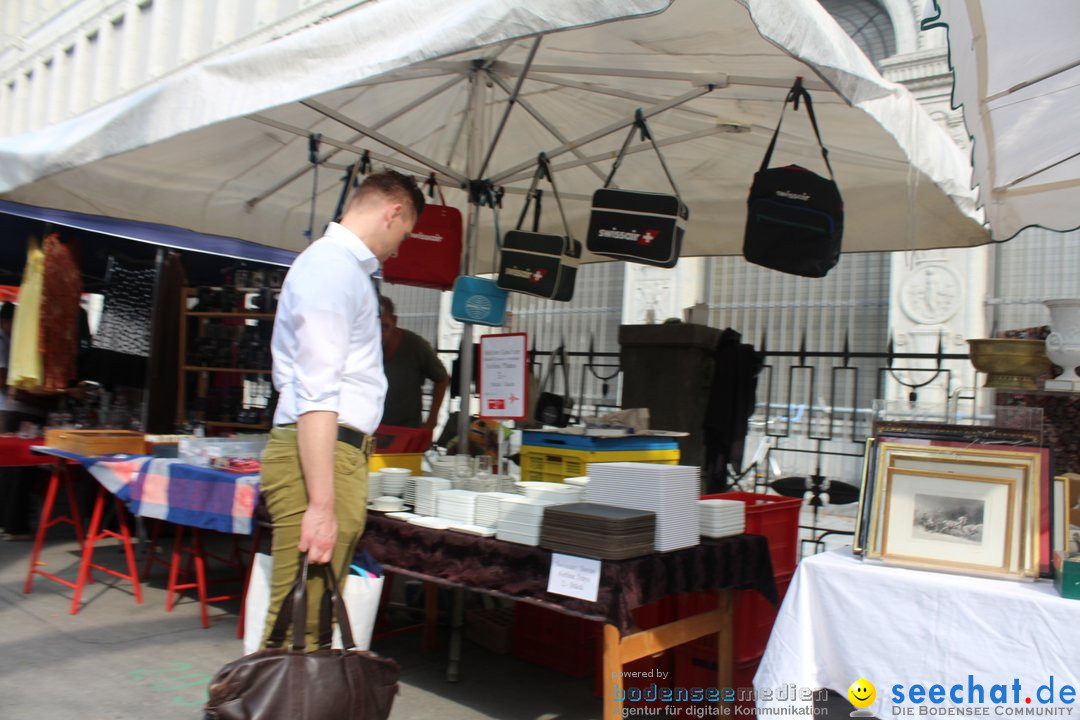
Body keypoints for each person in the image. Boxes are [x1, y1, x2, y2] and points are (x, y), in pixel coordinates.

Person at [259, 170, 424, 648]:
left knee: (310, 617)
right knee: (300, 622)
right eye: (405, 234)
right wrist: (322, 506)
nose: (399, 247)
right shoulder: (332, 268)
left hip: (334, 451)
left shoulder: (343, 270)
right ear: (392, 212)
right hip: (320, 450)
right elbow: (316, 394)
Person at [378, 294, 449, 431]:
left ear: (394, 321)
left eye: (384, 327)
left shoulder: (415, 345)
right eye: (372, 326)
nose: (378, 334)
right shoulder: (359, 347)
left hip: (406, 432)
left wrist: (431, 423)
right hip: (368, 432)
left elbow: (442, 378)